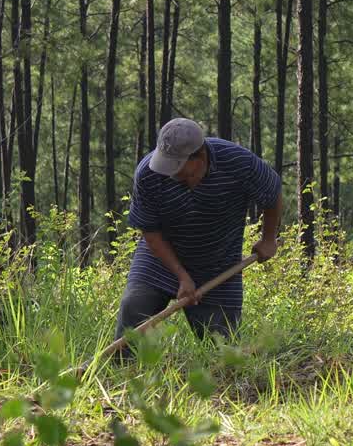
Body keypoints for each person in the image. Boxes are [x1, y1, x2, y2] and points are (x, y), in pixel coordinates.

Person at [113, 118, 283, 357]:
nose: (172, 175)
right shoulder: (149, 173)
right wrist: (181, 275)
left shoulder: (238, 162)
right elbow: (149, 230)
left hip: (218, 264)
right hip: (159, 260)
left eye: (179, 169)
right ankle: (122, 374)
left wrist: (268, 238)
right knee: (133, 310)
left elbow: (272, 191)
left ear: (200, 156)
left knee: (223, 351)